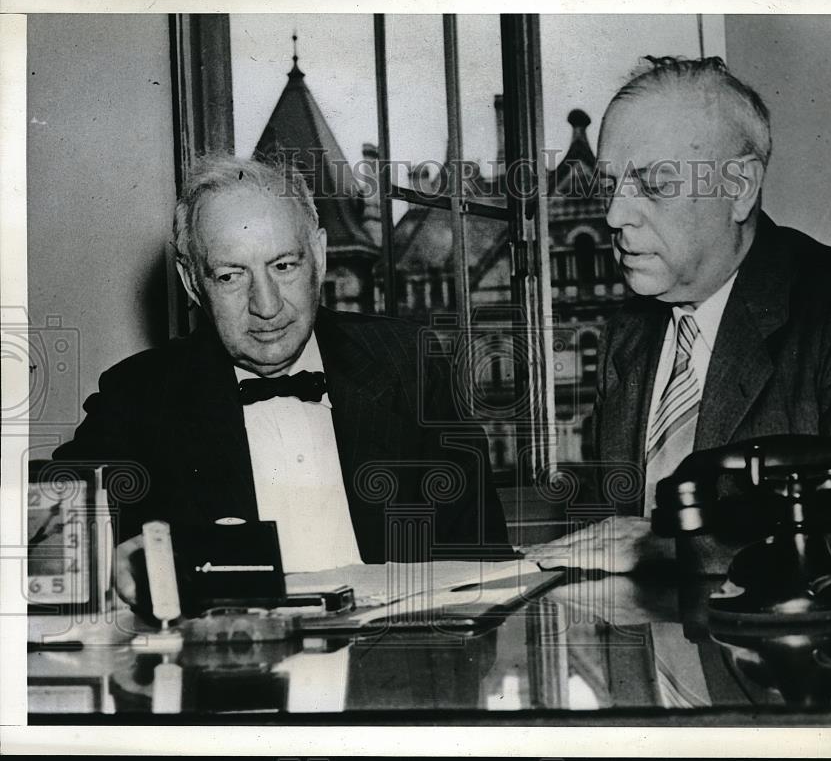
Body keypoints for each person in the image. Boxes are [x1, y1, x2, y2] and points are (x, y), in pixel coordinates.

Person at [523, 56, 831, 573]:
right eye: (609, 184)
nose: (615, 215)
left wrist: (678, 549)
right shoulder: (628, 334)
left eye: (653, 186)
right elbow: (610, 535)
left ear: (739, 188)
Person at [54, 155, 511, 605]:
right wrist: (107, 565)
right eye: (230, 276)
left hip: (393, 648)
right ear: (192, 283)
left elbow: (482, 560)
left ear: (319, 256)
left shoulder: (409, 364)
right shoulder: (137, 396)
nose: (267, 306)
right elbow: (51, 532)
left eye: (284, 266)